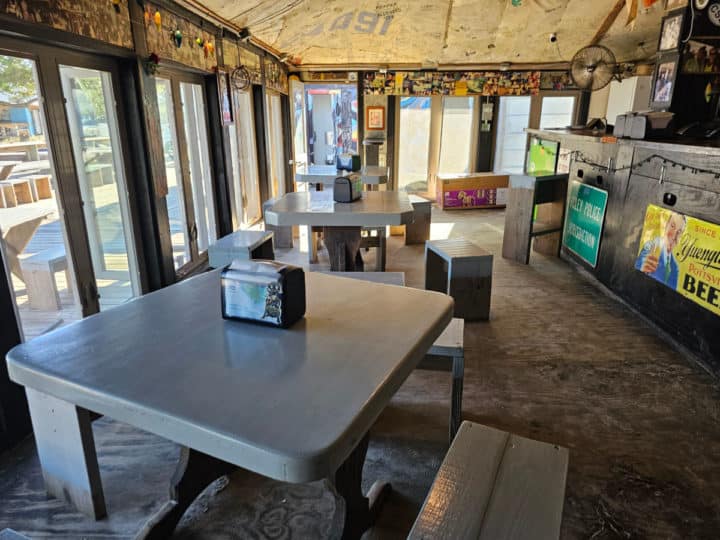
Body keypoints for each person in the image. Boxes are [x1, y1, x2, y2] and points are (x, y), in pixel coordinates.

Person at [635, 212, 687, 289]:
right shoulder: (650, 247)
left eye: (679, 232)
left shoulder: (675, 268)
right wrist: (643, 271)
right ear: (666, 226)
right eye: (672, 226)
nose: (674, 236)